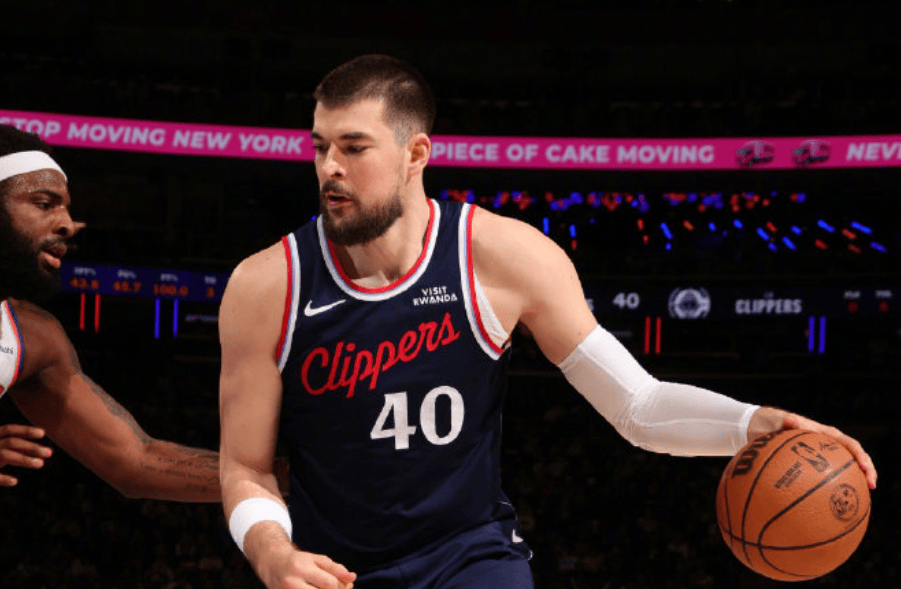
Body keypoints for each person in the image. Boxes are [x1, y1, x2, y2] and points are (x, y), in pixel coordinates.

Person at [218, 54, 878, 589]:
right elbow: (245, 465)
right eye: (320, 147)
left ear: (416, 153)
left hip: (468, 557)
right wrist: (272, 553)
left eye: (353, 147)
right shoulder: (266, 286)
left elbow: (638, 406)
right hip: (331, 567)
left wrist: (751, 422)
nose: (329, 168)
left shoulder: (504, 258)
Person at [0, 123, 219, 501]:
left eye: (66, 209)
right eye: (44, 204)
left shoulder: (33, 337)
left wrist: (288, 476)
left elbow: (136, 461)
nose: (67, 225)